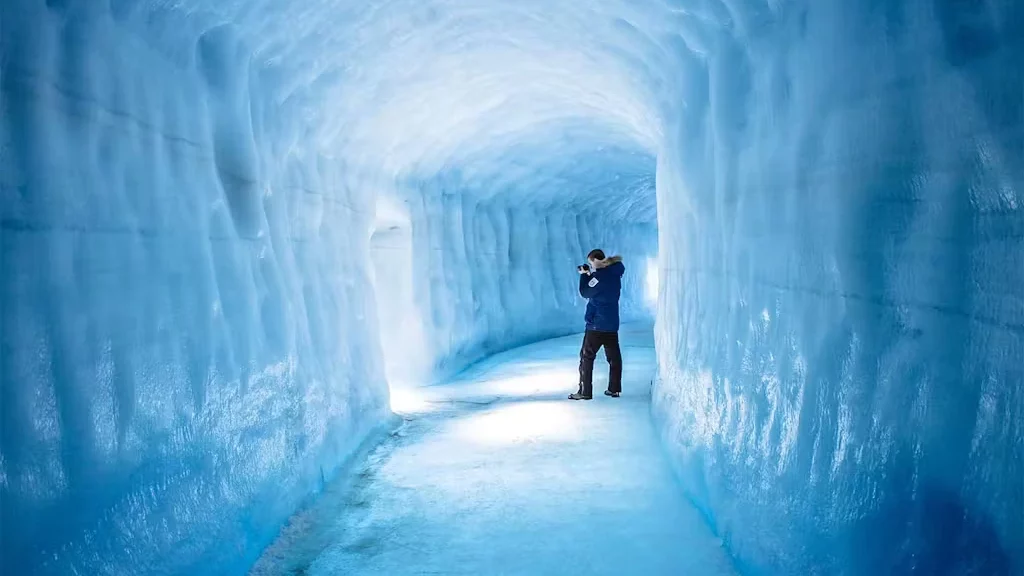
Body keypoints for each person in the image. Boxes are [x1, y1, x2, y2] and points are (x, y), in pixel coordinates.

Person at [569, 249, 625, 400]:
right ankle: (614, 389)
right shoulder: (614, 274)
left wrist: (583, 276)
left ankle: (585, 391)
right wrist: (589, 275)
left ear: (595, 260)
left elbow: (586, 292)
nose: (590, 266)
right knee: (614, 358)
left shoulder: (600, 277)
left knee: (586, 357)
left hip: (596, 325)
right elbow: (597, 286)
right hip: (612, 325)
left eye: (590, 263)